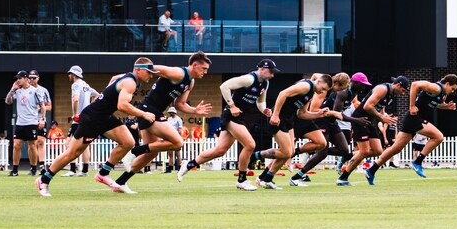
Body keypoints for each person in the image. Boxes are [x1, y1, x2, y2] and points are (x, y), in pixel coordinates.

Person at [35, 58, 157, 197]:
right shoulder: (130, 82)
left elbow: (114, 78)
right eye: (149, 72)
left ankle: (103, 174)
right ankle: (43, 180)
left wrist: (103, 96)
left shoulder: (128, 76)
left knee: (128, 142)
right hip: (92, 117)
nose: (151, 75)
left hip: (105, 116)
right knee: (72, 153)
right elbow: (122, 106)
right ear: (138, 70)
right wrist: (144, 114)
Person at [112, 52, 213, 194]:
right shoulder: (178, 73)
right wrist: (129, 76)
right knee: (178, 143)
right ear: (195, 65)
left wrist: (195, 111)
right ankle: (134, 151)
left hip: (154, 112)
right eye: (204, 68)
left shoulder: (190, 82)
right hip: (148, 110)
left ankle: (120, 182)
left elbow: (180, 105)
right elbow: (152, 67)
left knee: (151, 152)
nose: (206, 72)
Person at [177, 58, 277, 191]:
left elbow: (260, 102)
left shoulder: (265, 84)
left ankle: (188, 164)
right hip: (231, 115)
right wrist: (232, 106)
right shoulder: (249, 79)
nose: (272, 75)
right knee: (250, 144)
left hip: (240, 117)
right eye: (271, 72)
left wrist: (264, 110)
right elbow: (224, 86)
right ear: (262, 69)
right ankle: (242, 180)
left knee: (220, 151)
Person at [368, 74, 457, 181]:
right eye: (452, 89)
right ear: (447, 84)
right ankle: (418, 162)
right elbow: (415, 85)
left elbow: (435, 104)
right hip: (415, 118)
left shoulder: (442, 94)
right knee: (438, 137)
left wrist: (446, 106)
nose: (452, 91)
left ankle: (371, 170)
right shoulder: (436, 88)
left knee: (395, 149)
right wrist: (412, 106)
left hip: (412, 119)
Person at [5, 70, 43, 177]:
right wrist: (12, 89)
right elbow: (8, 101)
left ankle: (33, 169)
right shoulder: (17, 91)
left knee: (32, 146)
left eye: (20, 78)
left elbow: (42, 105)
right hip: (20, 123)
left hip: (31, 122)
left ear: (26, 78)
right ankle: (15, 170)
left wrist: (42, 119)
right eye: (17, 78)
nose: (18, 80)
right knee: (16, 145)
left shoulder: (35, 91)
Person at [64, 65, 100, 177]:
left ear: (74, 75)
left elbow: (75, 99)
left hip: (79, 119)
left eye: (70, 74)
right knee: (85, 145)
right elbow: (97, 95)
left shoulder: (75, 85)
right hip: (87, 118)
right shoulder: (86, 85)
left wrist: (75, 114)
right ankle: (84, 171)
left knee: (68, 143)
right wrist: (91, 106)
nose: (69, 76)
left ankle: (72, 169)